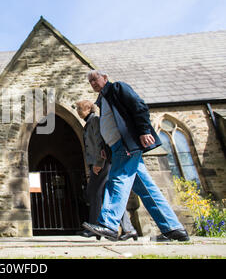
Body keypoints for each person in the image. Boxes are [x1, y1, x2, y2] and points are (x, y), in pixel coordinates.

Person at [82, 70, 189, 242]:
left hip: (126, 143)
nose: (93, 83)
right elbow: (108, 125)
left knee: (117, 179)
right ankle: (173, 228)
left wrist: (144, 130)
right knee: (146, 188)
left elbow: (139, 106)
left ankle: (108, 224)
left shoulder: (118, 89)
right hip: (115, 146)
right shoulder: (103, 100)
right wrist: (104, 147)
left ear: (105, 78)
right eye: (90, 82)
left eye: (95, 79)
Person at [76, 100, 137, 241]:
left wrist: (98, 162)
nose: (78, 111)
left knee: (94, 193)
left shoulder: (95, 121)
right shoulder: (89, 122)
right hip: (99, 164)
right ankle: (129, 228)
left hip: (101, 164)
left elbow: (99, 143)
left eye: (80, 108)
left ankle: (94, 227)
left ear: (87, 109)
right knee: (108, 196)